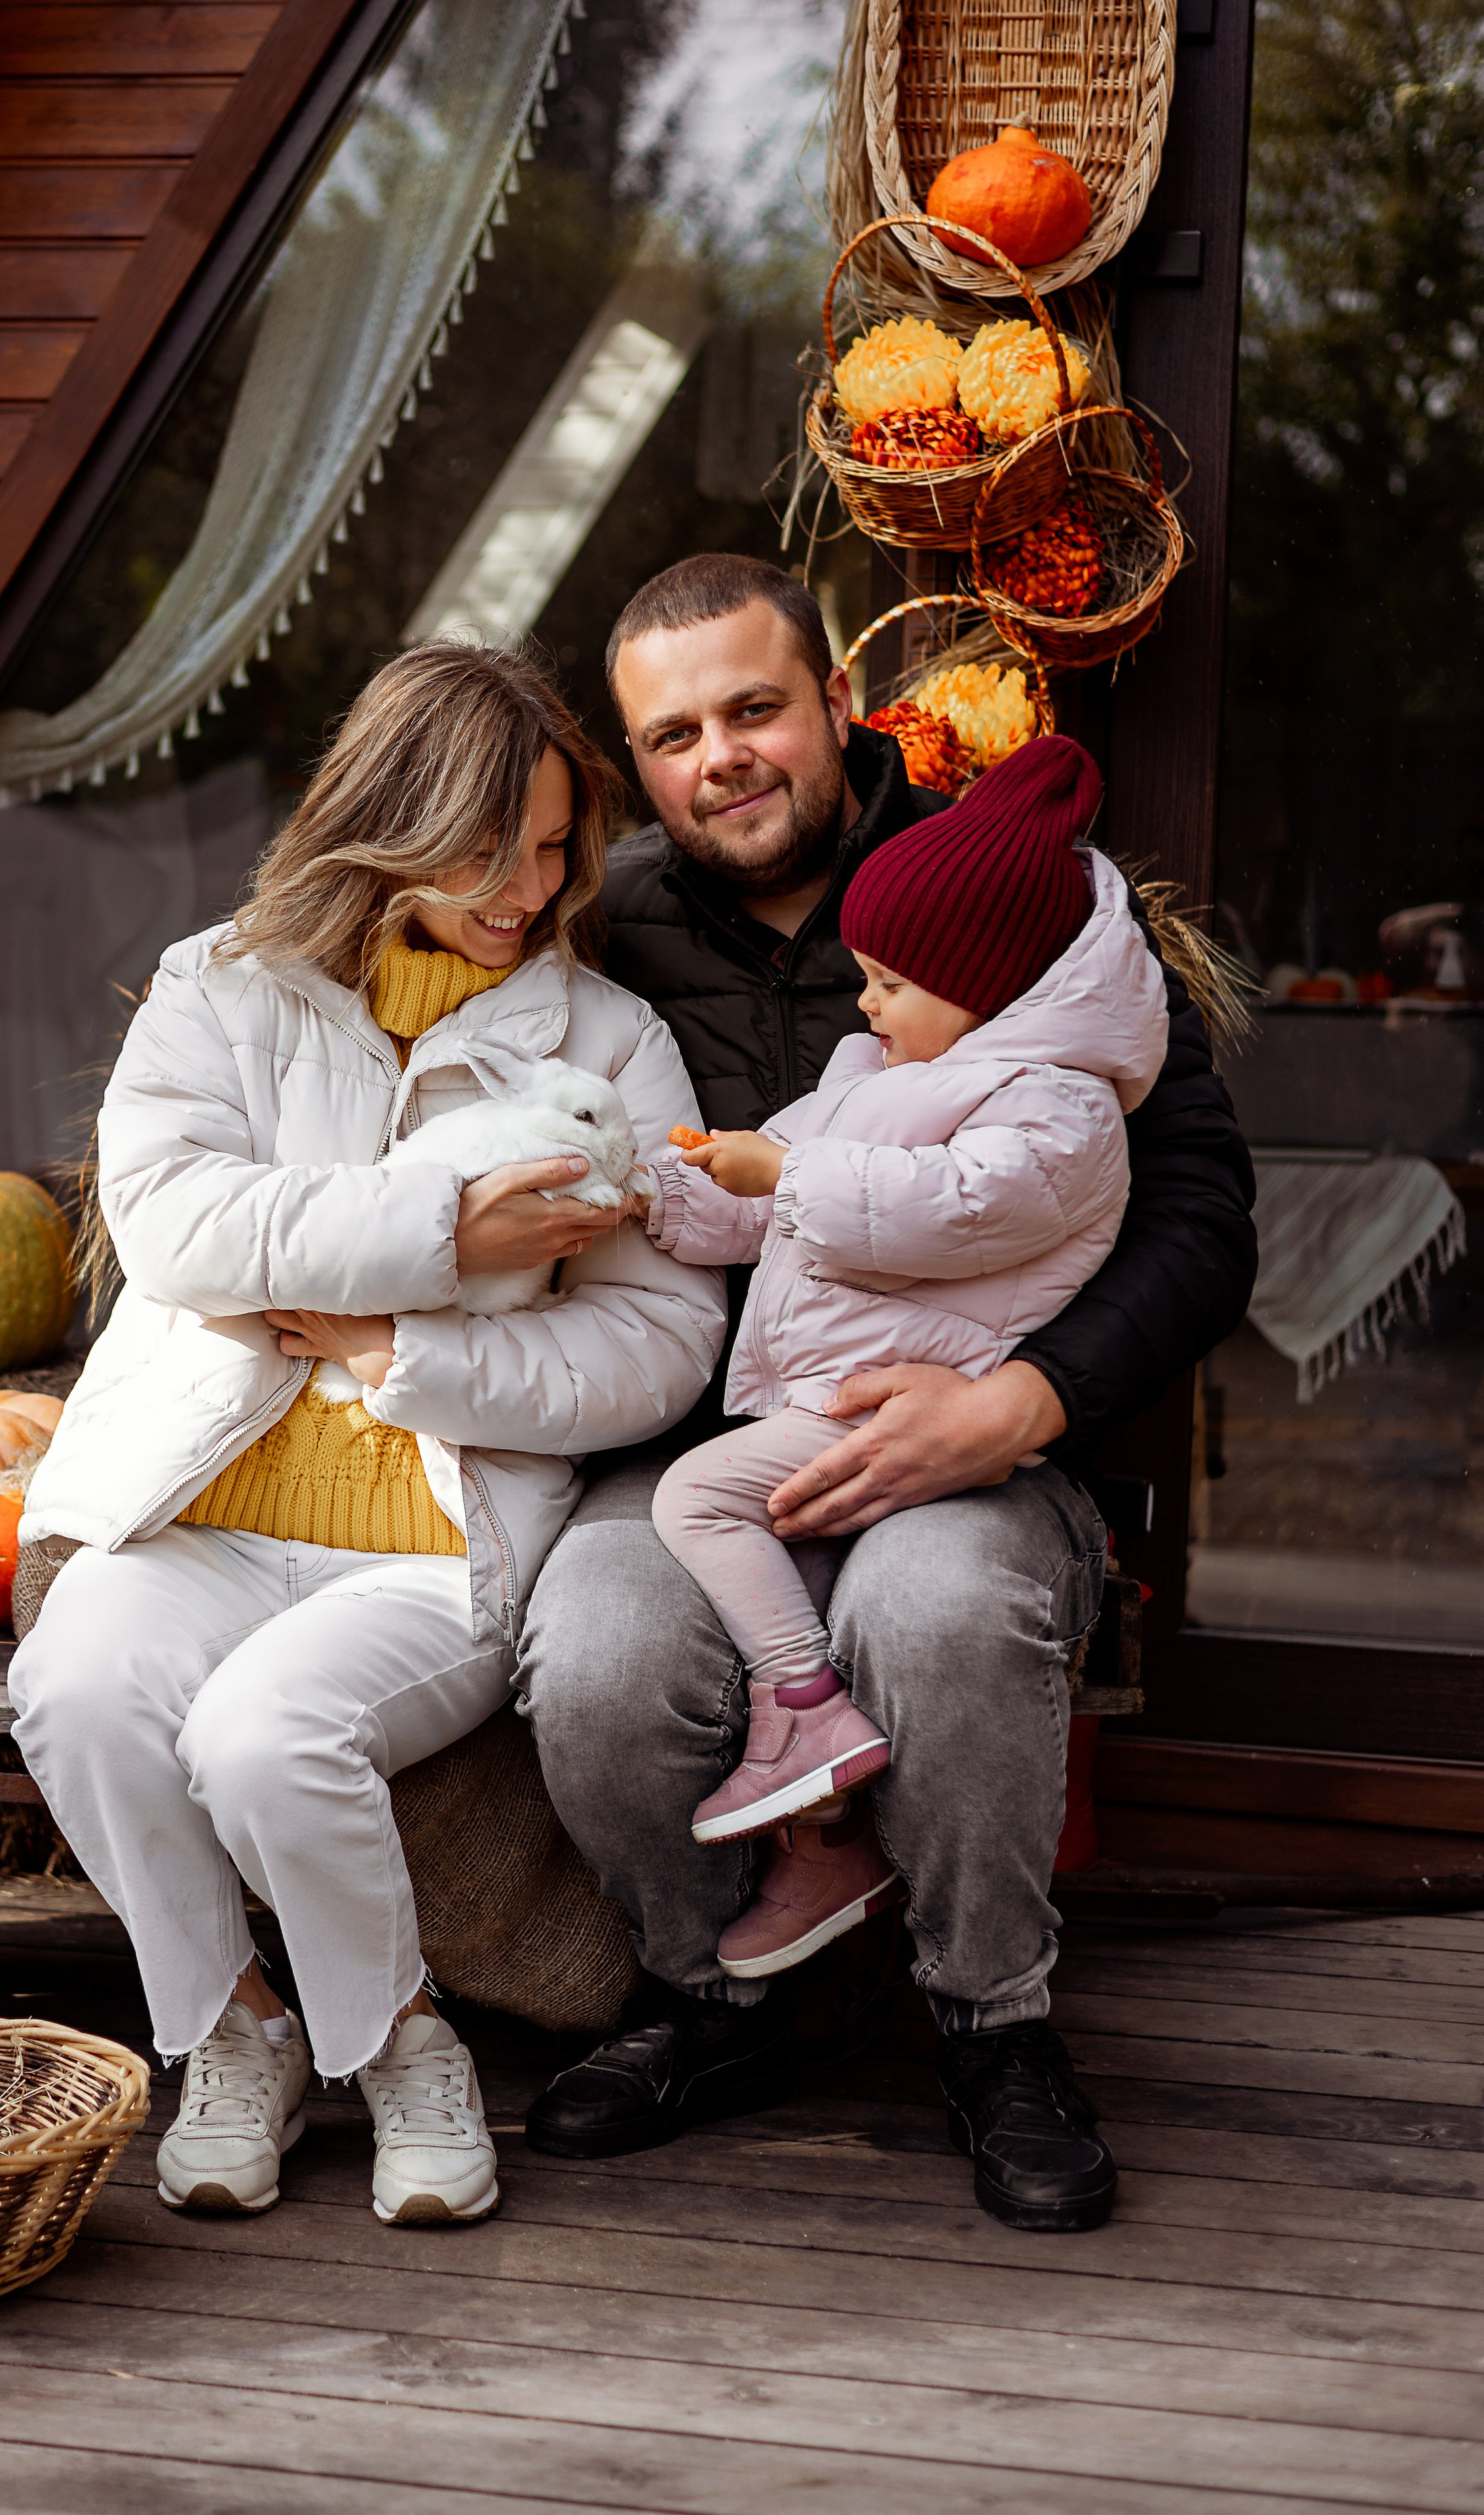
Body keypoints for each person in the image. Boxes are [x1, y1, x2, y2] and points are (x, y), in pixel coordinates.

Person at [517, 553, 1257, 2235]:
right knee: (599, 1646)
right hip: (710, 1432)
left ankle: (991, 2023)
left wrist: (1026, 1405)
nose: (721, 757)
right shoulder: (600, 926)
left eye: (755, 708)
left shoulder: (1013, 896)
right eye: (671, 733)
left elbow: (1202, 1210)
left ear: (837, 704)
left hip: (976, 1428)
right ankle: (715, 1993)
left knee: (938, 1612)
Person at [9, 643, 724, 2227]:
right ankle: (241, 2036)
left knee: (265, 1739)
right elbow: (177, 1225)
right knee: (72, 1682)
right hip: (201, 1501)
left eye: (552, 847)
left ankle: (407, 2054)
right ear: (389, 822)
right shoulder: (222, 987)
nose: (529, 890)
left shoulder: (605, 1044)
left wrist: (404, 1347)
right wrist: (447, 1234)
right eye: (489, 850)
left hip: (437, 1537)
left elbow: (661, 1346)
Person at [648, 735, 1170, 1983]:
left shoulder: (1062, 1105)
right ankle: (792, 1869)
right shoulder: (882, 1068)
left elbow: (954, 1206)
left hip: (907, 1408)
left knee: (698, 1498)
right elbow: (780, 1193)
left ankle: (802, 1712)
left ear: (984, 985)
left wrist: (789, 1174)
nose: (864, 1002)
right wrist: (670, 1194)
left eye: (887, 980)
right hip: (838, 1388)